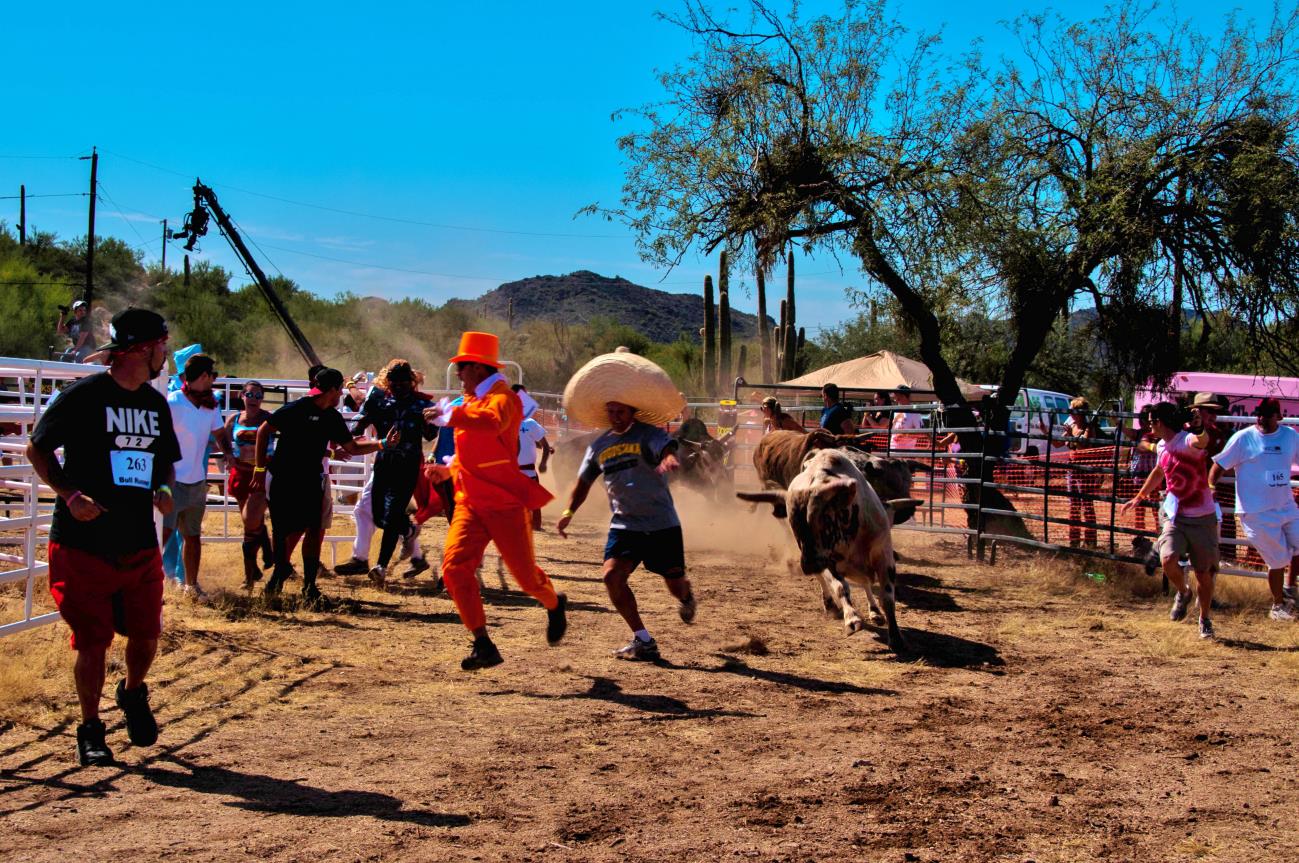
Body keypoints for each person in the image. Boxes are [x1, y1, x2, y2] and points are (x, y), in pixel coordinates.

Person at [26, 307, 180, 765]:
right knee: (92, 641)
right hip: (83, 540)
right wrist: (70, 494)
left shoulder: (154, 403)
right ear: (142, 349)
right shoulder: (85, 395)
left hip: (137, 540)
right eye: (161, 346)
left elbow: (164, 459)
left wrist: (165, 486)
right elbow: (37, 447)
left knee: (147, 634)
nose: (164, 355)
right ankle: (90, 727)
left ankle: (133, 693)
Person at [424, 332, 567, 670]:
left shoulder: (504, 399)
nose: (457, 374)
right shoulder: (470, 401)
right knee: (455, 570)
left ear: (477, 368)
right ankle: (483, 643)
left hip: (504, 505)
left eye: (461, 367)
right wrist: (448, 471)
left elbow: (492, 425)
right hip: (470, 502)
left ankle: (553, 603)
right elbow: (475, 452)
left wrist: (451, 416)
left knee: (526, 579)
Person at [556, 353, 696, 661]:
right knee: (611, 577)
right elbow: (583, 482)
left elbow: (667, 446)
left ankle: (686, 595)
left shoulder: (649, 434)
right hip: (625, 525)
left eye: (620, 410)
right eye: (611, 411)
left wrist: (669, 458)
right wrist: (568, 513)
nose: (615, 416)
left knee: (674, 584)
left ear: (632, 411)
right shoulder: (599, 446)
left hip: (661, 524)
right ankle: (643, 639)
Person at [250, 367, 387, 604]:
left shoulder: (331, 417)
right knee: (283, 531)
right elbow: (264, 430)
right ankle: (278, 579)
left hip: (311, 479)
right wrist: (259, 469)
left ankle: (309, 586)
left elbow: (352, 448)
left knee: (313, 530)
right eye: (340, 390)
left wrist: (382, 443)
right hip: (284, 478)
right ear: (332, 390)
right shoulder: (297, 408)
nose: (341, 395)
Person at [1120, 401, 1219, 639]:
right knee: (1167, 559)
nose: (1149, 425)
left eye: (1152, 421)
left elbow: (1201, 442)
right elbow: (1159, 471)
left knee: (1204, 574)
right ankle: (1183, 592)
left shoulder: (1186, 440)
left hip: (1203, 517)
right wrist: (1140, 496)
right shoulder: (1162, 446)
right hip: (1176, 517)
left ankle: (1204, 618)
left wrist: (1198, 428)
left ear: (1161, 422)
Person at [1209, 398, 1299, 620]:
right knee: (1277, 560)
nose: (1261, 418)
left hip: (1286, 506)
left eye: (1267, 414)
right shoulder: (1243, 438)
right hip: (1256, 513)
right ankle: (1277, 606)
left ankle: (1289, 587)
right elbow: (1218, 466)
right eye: (1259, 413)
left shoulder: (1290, 436)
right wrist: (1211, 487)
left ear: (1278, 416)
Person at [357, 360, 436, 586]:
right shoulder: (379, 400)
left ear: (411, 382)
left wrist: (429, 420)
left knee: (391, 517)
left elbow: (430, 435)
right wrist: (355, 430)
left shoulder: (421, 404)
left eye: (403, 381)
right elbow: (361, 422)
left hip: (408, 464)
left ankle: (380, 566)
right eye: (394, 381)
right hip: (383, 462)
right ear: (387, 381)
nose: (399, 386)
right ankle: (408, 529)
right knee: (379, 515)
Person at [163, 353, 234, 599]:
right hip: (171, 481)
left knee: (192, 536)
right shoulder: (172, 402)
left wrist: (228, 454)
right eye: (212, 375)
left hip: (196, 481)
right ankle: (147, 583)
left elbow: (220, 433)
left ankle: (190, 585)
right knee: (162, 534)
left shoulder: (210, 404)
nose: (214, 379)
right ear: (204, 376)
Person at [225, 380, 275, 588]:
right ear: (242, 396)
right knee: (250, 524)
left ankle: (249, 578)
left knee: (251, 521)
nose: (254, 400)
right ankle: (256, 564)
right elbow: (224, 442)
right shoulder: (233, 420)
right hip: (240, 474)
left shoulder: (269, 419)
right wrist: (228, 456)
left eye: (258, 396)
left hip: (261, 475)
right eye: (250, 395)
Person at [513, 384, 553, 530]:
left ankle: (536, 526)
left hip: (528, 471)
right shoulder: (507, 422)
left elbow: (544, 445)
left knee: (534, 501)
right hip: (512, 471)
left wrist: (543, 462)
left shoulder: (529, 423)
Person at [1062, 397, 1100, 547]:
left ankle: (1090, 541)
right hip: (1072, 469)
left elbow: (1084, 446)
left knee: (1087, 504)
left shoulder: (1089, 428)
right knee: (1073, 504)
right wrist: (1046, 431)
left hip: (1085, 470)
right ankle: (1074, 539)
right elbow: (1059, 443)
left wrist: (1071, 436)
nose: (1070, 413)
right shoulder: (1071, 426)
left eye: (1073, 410)